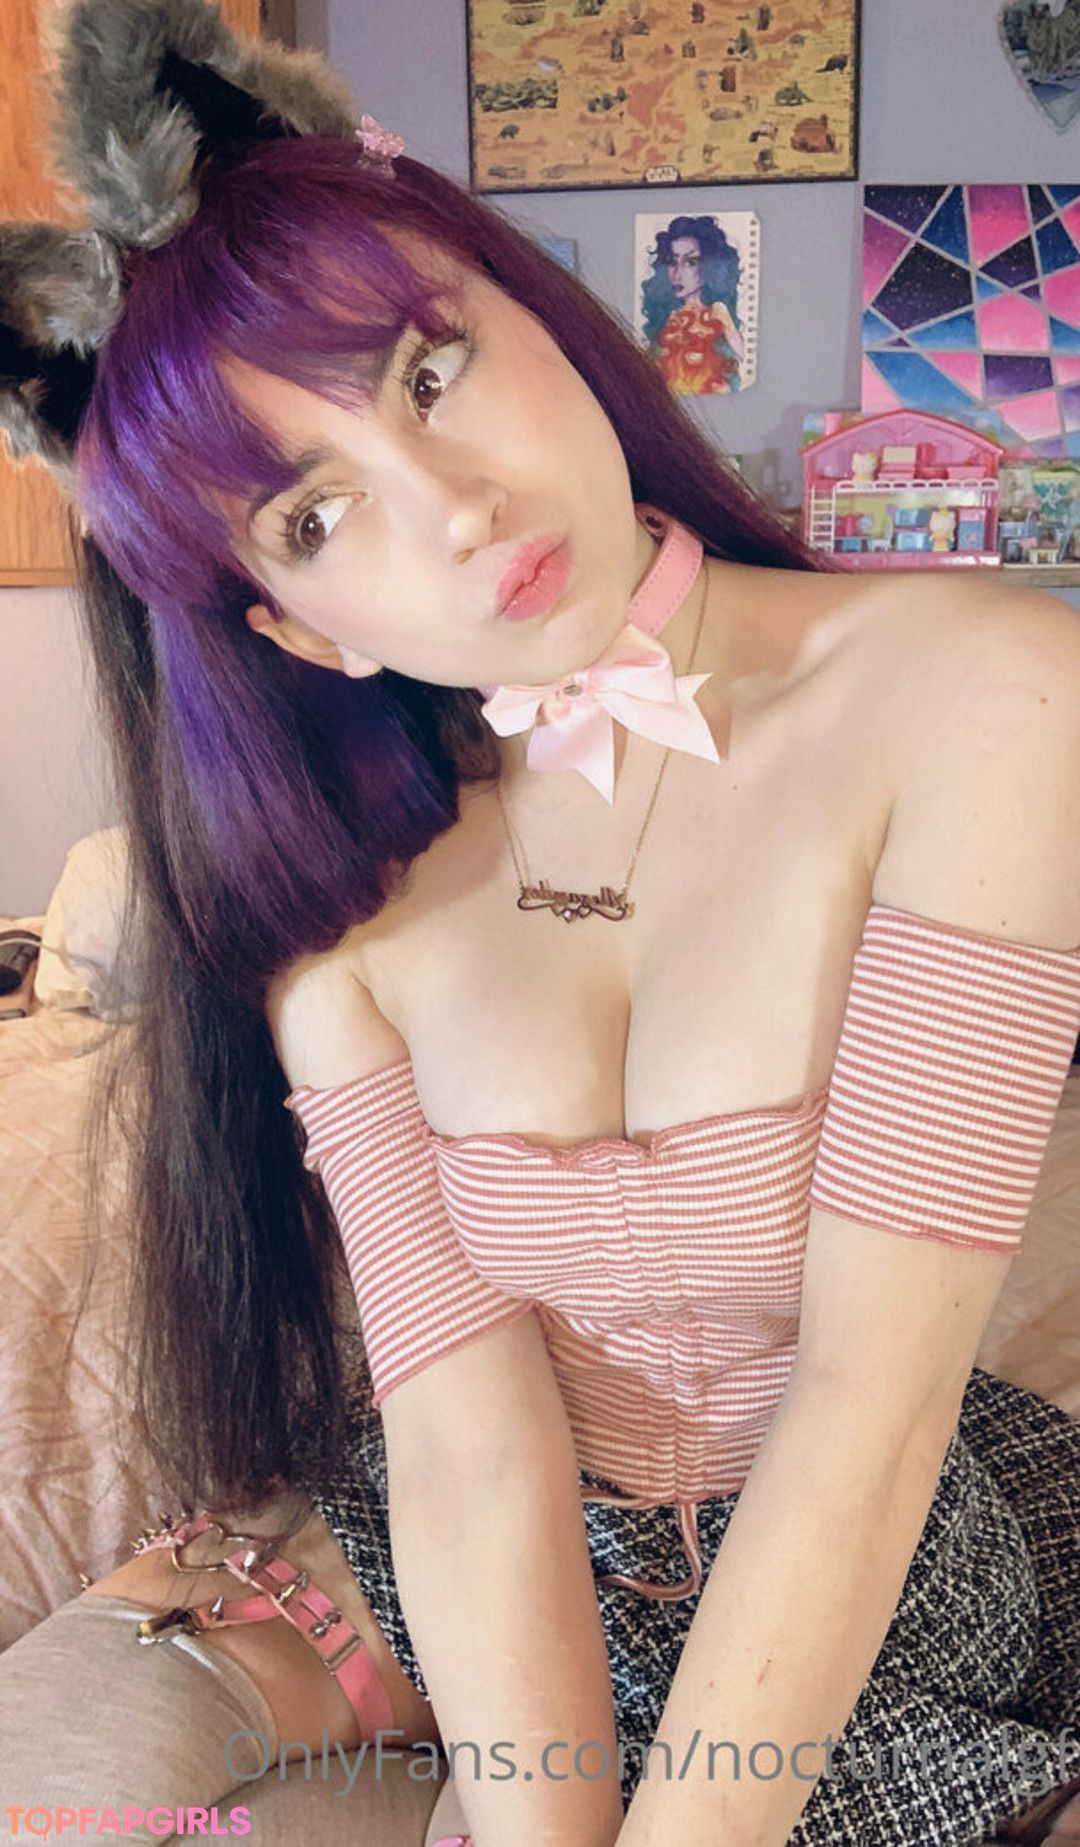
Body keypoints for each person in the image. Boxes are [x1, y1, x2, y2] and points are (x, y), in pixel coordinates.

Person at [2, 5, 1080, 1845]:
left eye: (429, 371)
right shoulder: (345, 914)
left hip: (882, 1578)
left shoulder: (989, 696)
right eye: (317, 516)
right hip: (497, 1571)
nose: (456, 508)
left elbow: (871, 1399)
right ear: (300, 628)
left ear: (538, 313)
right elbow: (469, 1441)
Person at [640, 216, 745, 394]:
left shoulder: (717, 313)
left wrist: (728, 326)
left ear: (710, 267)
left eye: (690, 262)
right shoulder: (665, 316)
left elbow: (745, 358)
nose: (678, 274)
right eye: (672, 262)